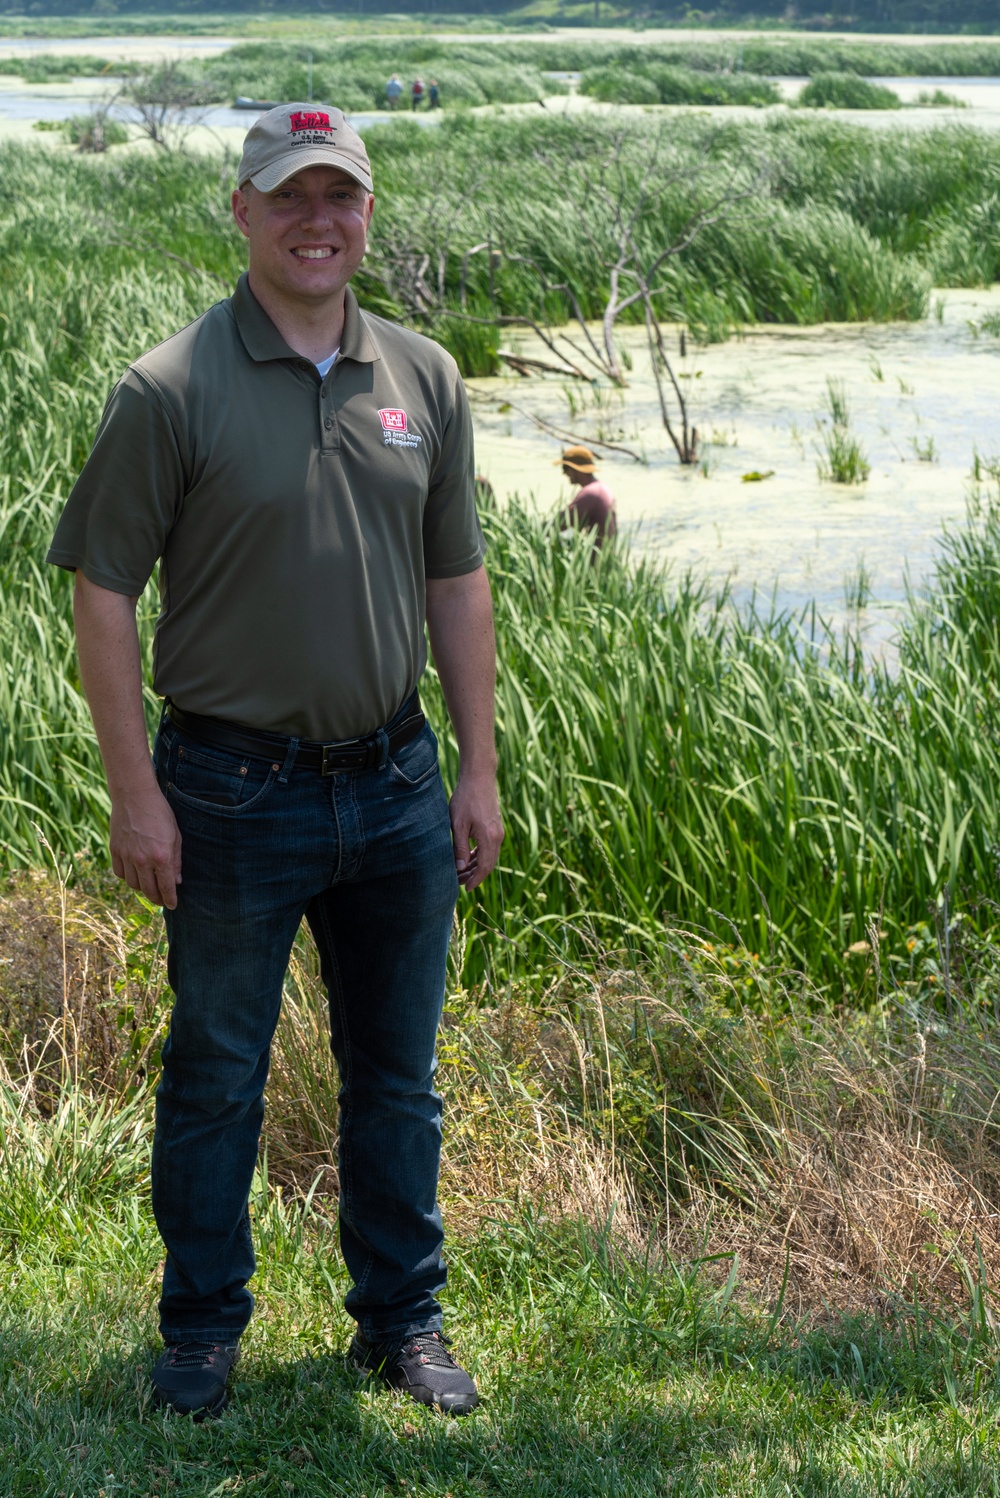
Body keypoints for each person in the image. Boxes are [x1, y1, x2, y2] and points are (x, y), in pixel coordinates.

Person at [47, 103, 503, 1422]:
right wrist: (138, 795)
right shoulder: (169, 386)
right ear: (240, 211)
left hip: (396, 785)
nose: (318, 221)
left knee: (398, 1078)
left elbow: (457, 576)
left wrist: (476, 768)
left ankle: (401, 1323)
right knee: (216, 1076)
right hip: (230, 793)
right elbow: (103, 593)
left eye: (340, 197)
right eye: (289, 197)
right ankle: (199, 1332)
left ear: (368, 212)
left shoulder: (424, 374)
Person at [555, 444, 617, 548]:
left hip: (596, 561)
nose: (564, 473)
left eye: (566, 468)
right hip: (607, 558)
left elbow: (562, 522)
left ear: (577, 469)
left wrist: (533, 528)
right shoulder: (602, 489)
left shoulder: (590, 494)